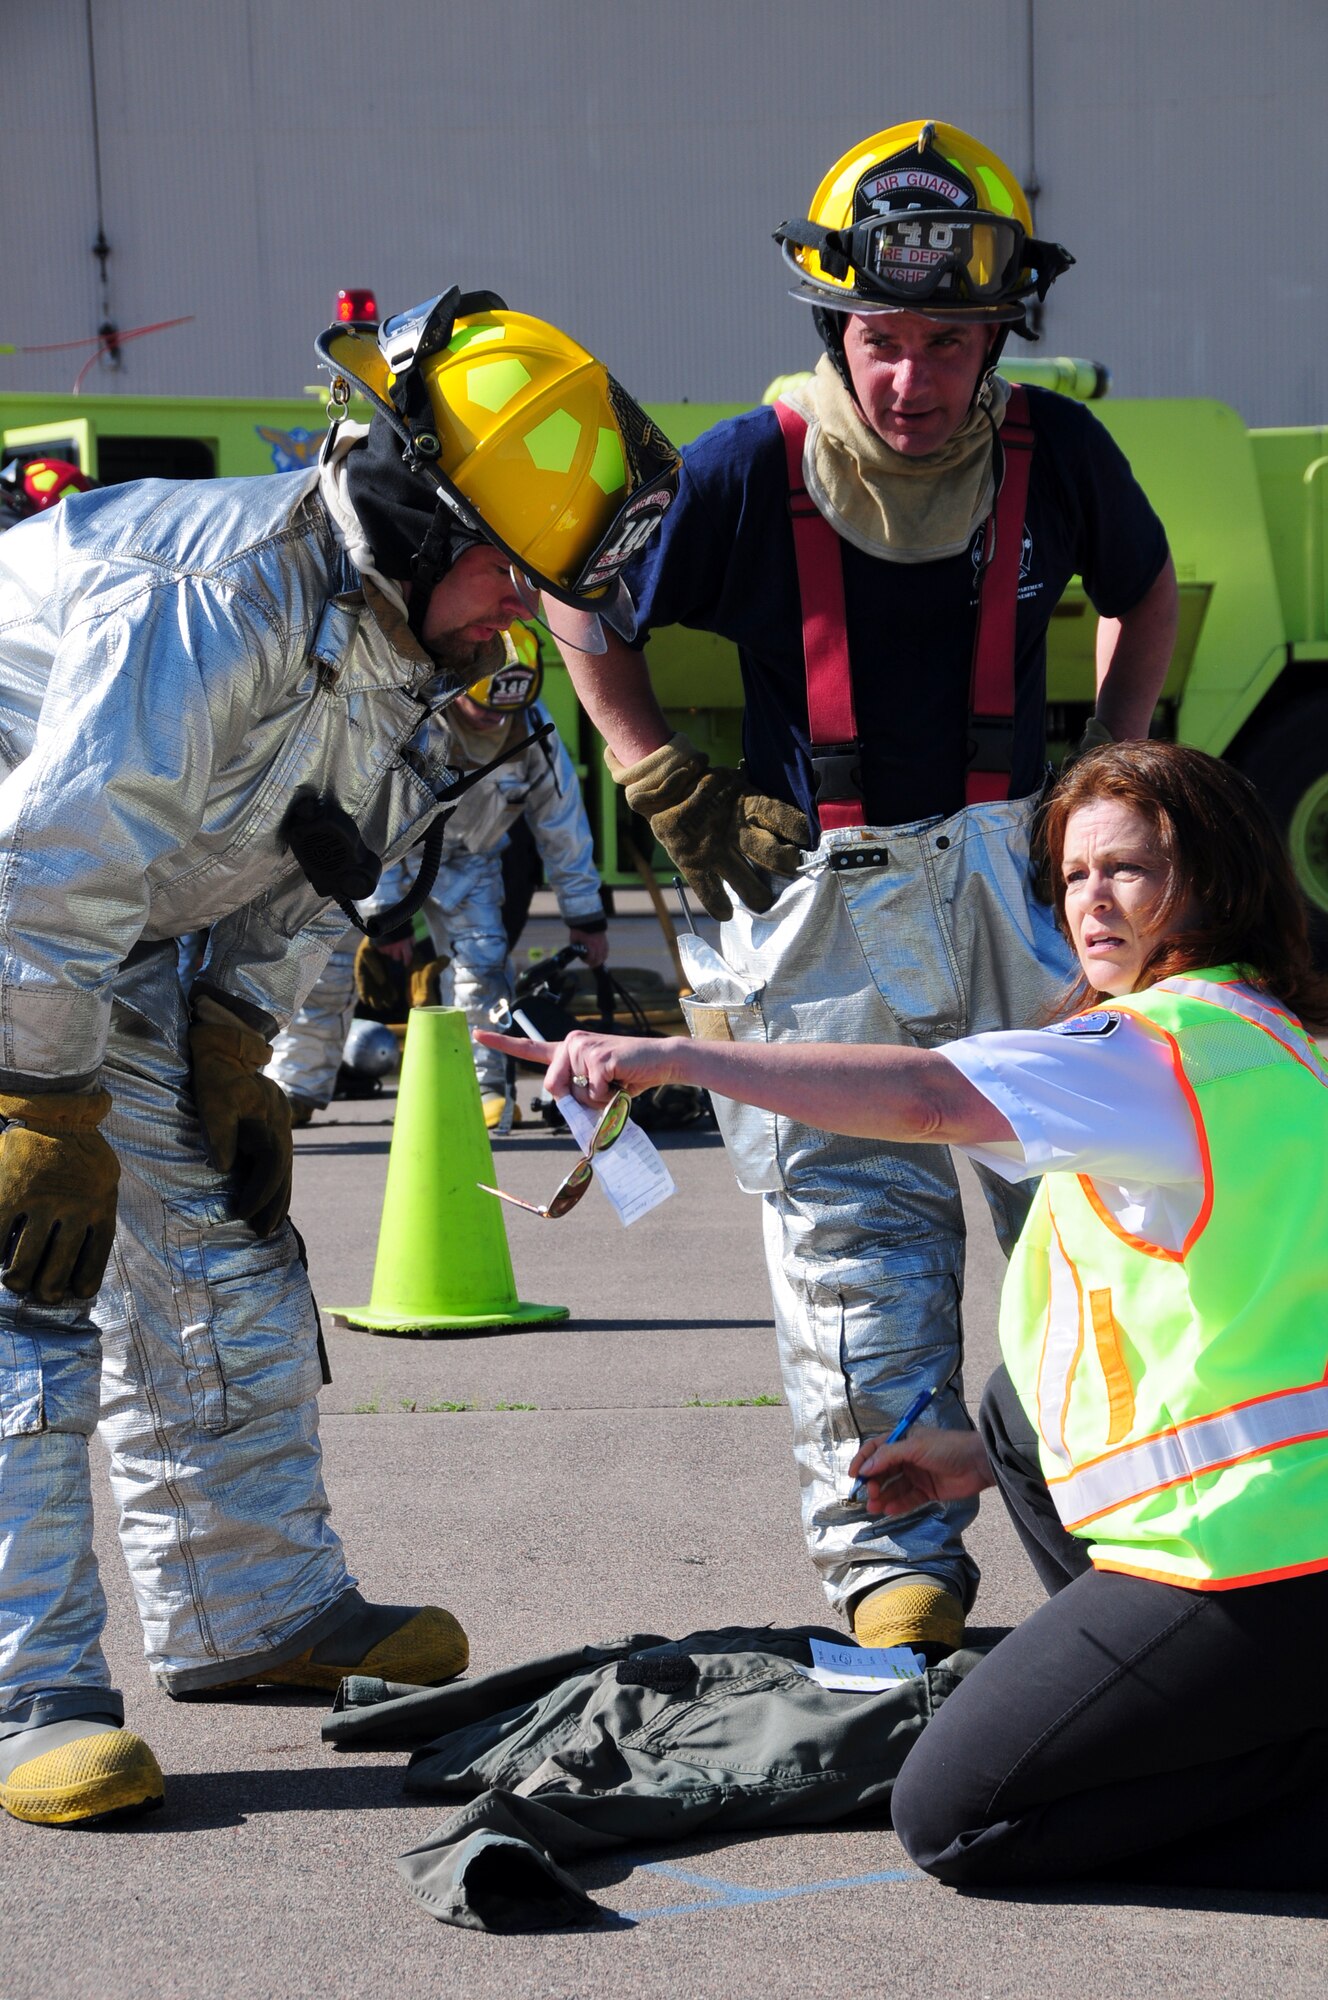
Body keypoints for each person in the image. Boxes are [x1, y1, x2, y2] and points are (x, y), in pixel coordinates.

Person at [0, 287, 678, 1826]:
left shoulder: (382, 633)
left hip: (92, 934)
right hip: (19, 921)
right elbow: (46, 867)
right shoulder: (208, 599)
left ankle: (255, 1617)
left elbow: (306, 859)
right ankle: (25, 1689)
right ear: (421, 521)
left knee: (229, 1254)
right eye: (514, 570)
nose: (528, 607)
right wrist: (38, 1099)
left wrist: (238, 1042)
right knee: (27, 1278)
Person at [481, 740, 1328, 1890]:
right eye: (1072, 874)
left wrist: (684, 1056)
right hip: (1290, 1534)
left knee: (956, 1820)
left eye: (1125, 870)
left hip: (1250, 1563)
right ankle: (1227, 1715)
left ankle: (1285, 1768)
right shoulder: (1268, 1039)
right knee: (1008, 1411)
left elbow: (929, 1094)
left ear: (1212, 880)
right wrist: (973, 1460)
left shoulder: (1154, 1050)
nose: (1088, 900)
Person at [551, 118, 1179, 1655]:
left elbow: (1145, 590)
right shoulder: (748, 473)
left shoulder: (1060, 459)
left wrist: (1113, 762)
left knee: (1101, 1219)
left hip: (1021, 884)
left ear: (997, 339)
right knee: (851, 1233)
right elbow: (579, 596)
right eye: (880, 340)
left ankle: (1131, 1531)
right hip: (818, 896)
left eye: (948, 346)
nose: (912, 382)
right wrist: (654, 771)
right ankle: (895, 1559)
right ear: (833, 327)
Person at [268, 625, 608, 1132]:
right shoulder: (411, 715)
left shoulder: (532, 729)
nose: (495, 719)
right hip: (377, 859)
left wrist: (585, 914)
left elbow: (563, 825)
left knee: (483, 969)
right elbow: (363, 812)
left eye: (505, 708)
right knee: (322, 964)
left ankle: (484, 1090)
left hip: (470, 861)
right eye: (484, 705)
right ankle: (294, 1085)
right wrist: (385, 917)